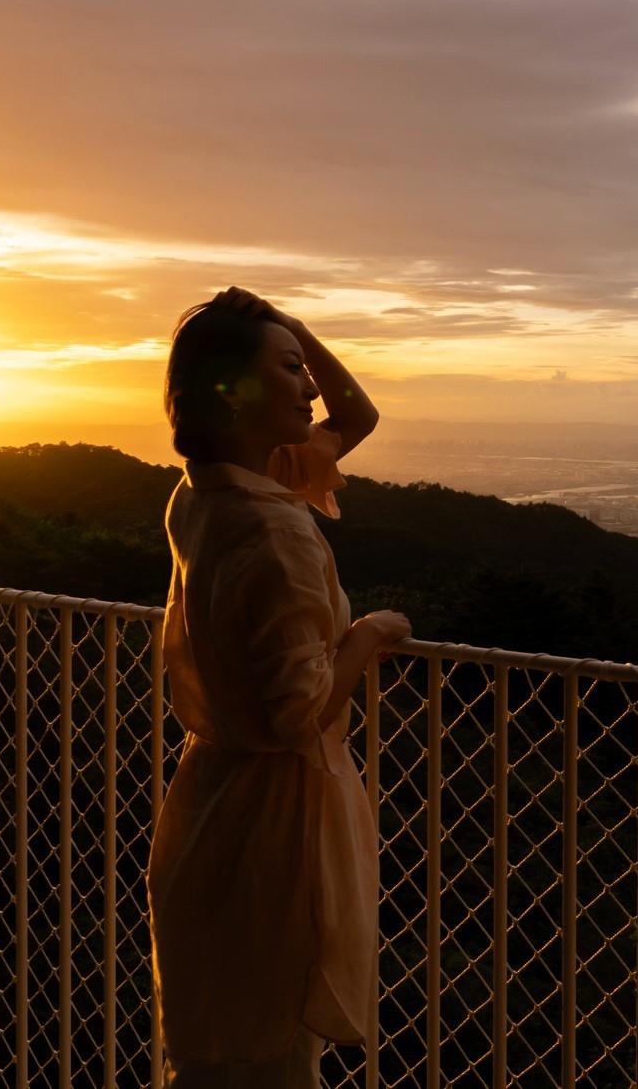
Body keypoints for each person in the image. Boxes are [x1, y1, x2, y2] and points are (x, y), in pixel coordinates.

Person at [149, 287, 411, 1089]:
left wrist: (288, 328)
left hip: (207, 804)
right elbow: (299, 712)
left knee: (216, 1044)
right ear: (237, 388)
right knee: (271, 1049)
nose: (310, 386)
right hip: (276, 821)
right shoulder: (274, 524)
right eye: (292, 369)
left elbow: (356, 417)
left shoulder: (205, 492)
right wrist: (370, 633)